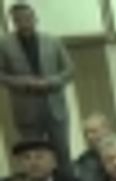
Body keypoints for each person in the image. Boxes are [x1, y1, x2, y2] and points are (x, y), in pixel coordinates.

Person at [0, 3, 75, 165]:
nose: (24, 22)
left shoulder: (52, 41)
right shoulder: (4, 44)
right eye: (19, 19)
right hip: (26, 111)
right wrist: (22, 82)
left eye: (28, 18)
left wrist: (50, 82)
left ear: (35, 19)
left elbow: (69, 70)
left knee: (62, 153)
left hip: (55, 108)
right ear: (13, 21)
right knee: (33, 156)